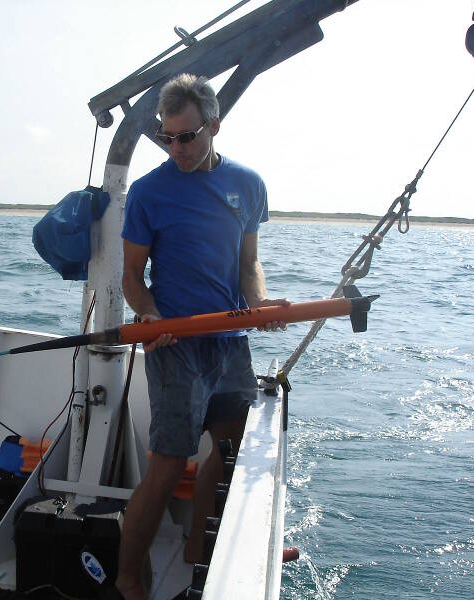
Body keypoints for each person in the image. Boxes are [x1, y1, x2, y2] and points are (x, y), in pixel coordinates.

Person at [117, 73, 288, 599]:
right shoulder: (148, 192)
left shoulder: (248, 184)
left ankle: (197, 545)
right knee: (168, 466)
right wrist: (148, 315)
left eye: (187, 137)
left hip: (230, 341)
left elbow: (249, 262)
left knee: (234, 448)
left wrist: (258, 304)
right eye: (168, 138)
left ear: (214, 125)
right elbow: (131, 279)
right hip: (175, 344)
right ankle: (126, 578)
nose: (177, 148)